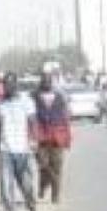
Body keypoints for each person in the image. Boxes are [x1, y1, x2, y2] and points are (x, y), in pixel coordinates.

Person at [0, 73, 38, 211]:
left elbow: (32, 122)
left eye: (10, 84)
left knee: (26, 185)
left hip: (23, 149)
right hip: (5, 149)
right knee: (6, 185)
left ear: (15, 85)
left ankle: (31, 208)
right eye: (5, 85)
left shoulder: (26, 101)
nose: (7, 87)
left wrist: (34, 141)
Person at [33, 71, 71, 203]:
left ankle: (56, 195)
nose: (46, 82)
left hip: (57, 138)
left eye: (49, 80)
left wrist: (67, 139)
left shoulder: (60, 97)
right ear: (40, 82)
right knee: (43, 166)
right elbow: (30, 119)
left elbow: (65, 118)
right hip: (41, 138)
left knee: (57, 166)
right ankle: (43, 186)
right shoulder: (34, 97)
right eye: (44, 80)